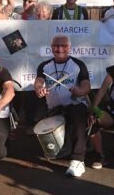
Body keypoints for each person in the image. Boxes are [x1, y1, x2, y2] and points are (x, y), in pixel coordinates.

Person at [34, 35, 92, 176]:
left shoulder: (78, 64)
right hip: (54, 108)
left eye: (64, 46)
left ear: (69, 48)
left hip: (74, 104)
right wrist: (39, 89)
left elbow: (86, 86)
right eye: (56, 46)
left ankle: (78, 161)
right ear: (51, 47)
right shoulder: (44, 66)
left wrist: (80, 91)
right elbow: (38, 81)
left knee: (78, 115)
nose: (60, 49)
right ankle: (63, 149)